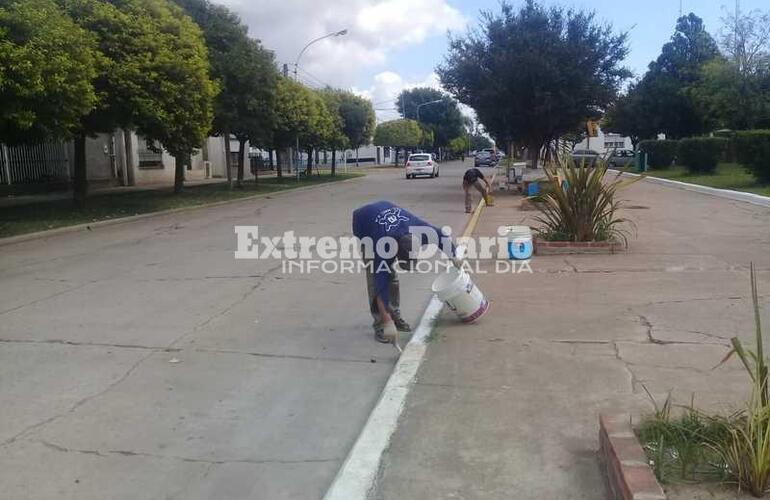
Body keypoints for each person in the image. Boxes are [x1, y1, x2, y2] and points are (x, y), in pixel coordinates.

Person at [353, 201, 455, 343]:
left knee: (392, 280)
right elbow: (379, 285)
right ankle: (381, 324)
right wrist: (386, 322)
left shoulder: (417, 229)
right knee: (378, 279)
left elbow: (440, 235)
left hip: (387, 219)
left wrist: (454, 256)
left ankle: (394, 315)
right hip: (365, 223)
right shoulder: (380, 243)